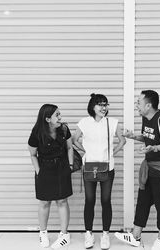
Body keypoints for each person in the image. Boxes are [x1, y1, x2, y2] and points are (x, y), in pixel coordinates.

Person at [115, 90, 160, 250]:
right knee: (143, 202)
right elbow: (148, 137)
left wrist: (155, 148)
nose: (136, 105)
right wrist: (134, 137)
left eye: (139, 102)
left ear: (148, 105)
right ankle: (136, 236)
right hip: (149, 168)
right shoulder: (145, 118)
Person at [73, 93, 126, 249]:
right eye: (100, 104)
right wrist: (86, 151)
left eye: (105, 104)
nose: (104, 108)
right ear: (93, 106)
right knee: (89, 201)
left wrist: (111, 153)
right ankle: (88, 234)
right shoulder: (84, 122)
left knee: (105, 200)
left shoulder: (112, 122)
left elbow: (122, 140)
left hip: (107, 167)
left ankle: (105, 235)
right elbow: (74, 140)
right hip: (89, 166)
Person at [28, 104, 73, 249]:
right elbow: (33, 154)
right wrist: (39, 171)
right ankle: (43, 233)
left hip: (62, 167)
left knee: (62, 201)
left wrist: (70, 166)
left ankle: (64, 234)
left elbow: (70, 147)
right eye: (57, 115)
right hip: (44, 169)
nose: (60, 117)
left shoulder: (64, 129)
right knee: (44, 202)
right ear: (48, 119)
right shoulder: (36, 133)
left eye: (60, 114)